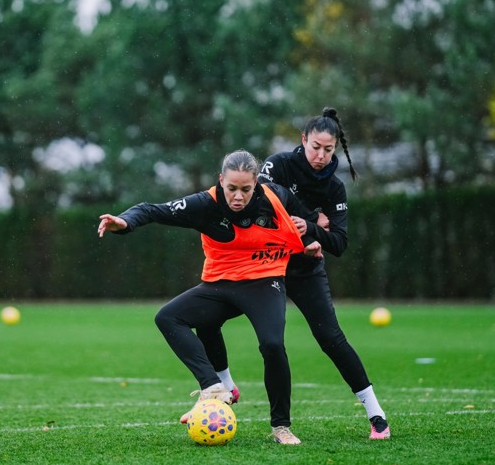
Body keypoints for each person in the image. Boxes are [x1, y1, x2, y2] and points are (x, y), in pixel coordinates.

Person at [97, 149, 322, 445]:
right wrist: (124, 223)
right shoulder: (205, 204)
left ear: (257, 184)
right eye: (231, 188)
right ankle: (213, 387)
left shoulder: (276, 195)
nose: (238, 196)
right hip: (220, 283)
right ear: (220, 181)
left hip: (264, 281)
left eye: (245, 189)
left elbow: (304, 220)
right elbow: (153, 209)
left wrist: (310, 239)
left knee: (272, 345)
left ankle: (281, 426)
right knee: (168, 317)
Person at [195, 107, 391, 440]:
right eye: (315, 146)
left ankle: (376, 413)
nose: (320, 155)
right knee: (205, 316)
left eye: (328, 150)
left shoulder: (335, 188)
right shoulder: (278, 164)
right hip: (261, 264)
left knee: (331, 339)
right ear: (303, 140)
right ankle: (226, 386)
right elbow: (264, 203)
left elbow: (339, 243)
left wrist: (311, 229)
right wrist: (308, 228)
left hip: (304, 271)